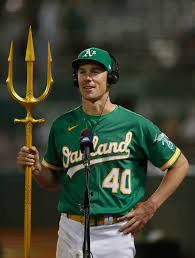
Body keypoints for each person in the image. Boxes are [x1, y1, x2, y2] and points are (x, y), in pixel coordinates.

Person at [17, 47, 189, 258]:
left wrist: (151, 206)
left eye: (95, 71)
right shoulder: (62, 125)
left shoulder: (135, 124)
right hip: (72, 228)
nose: (88, 78)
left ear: (111, 77)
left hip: (116, 231)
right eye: (82, 72)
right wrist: (35, 168)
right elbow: (52, 180)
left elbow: (179, 165)